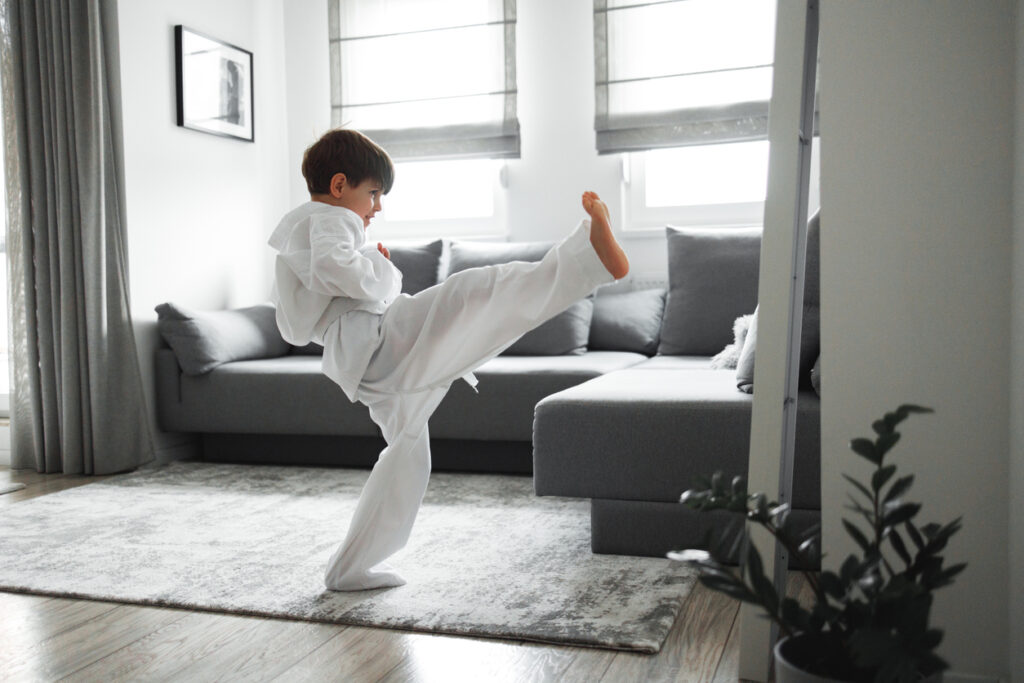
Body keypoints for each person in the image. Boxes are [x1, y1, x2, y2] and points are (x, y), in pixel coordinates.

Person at [268, 129, 629, 591]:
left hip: (364, 358)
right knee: (472, 293)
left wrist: (365, 263)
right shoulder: (333, 219)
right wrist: (377, 266)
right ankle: (586, 259)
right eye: (373, 194)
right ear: (340, 187)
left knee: (408, 454)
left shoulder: (311, 226)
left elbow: (315, 296)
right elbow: (335, 270)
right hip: (375, 343)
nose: (377, 207)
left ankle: (350, 568)